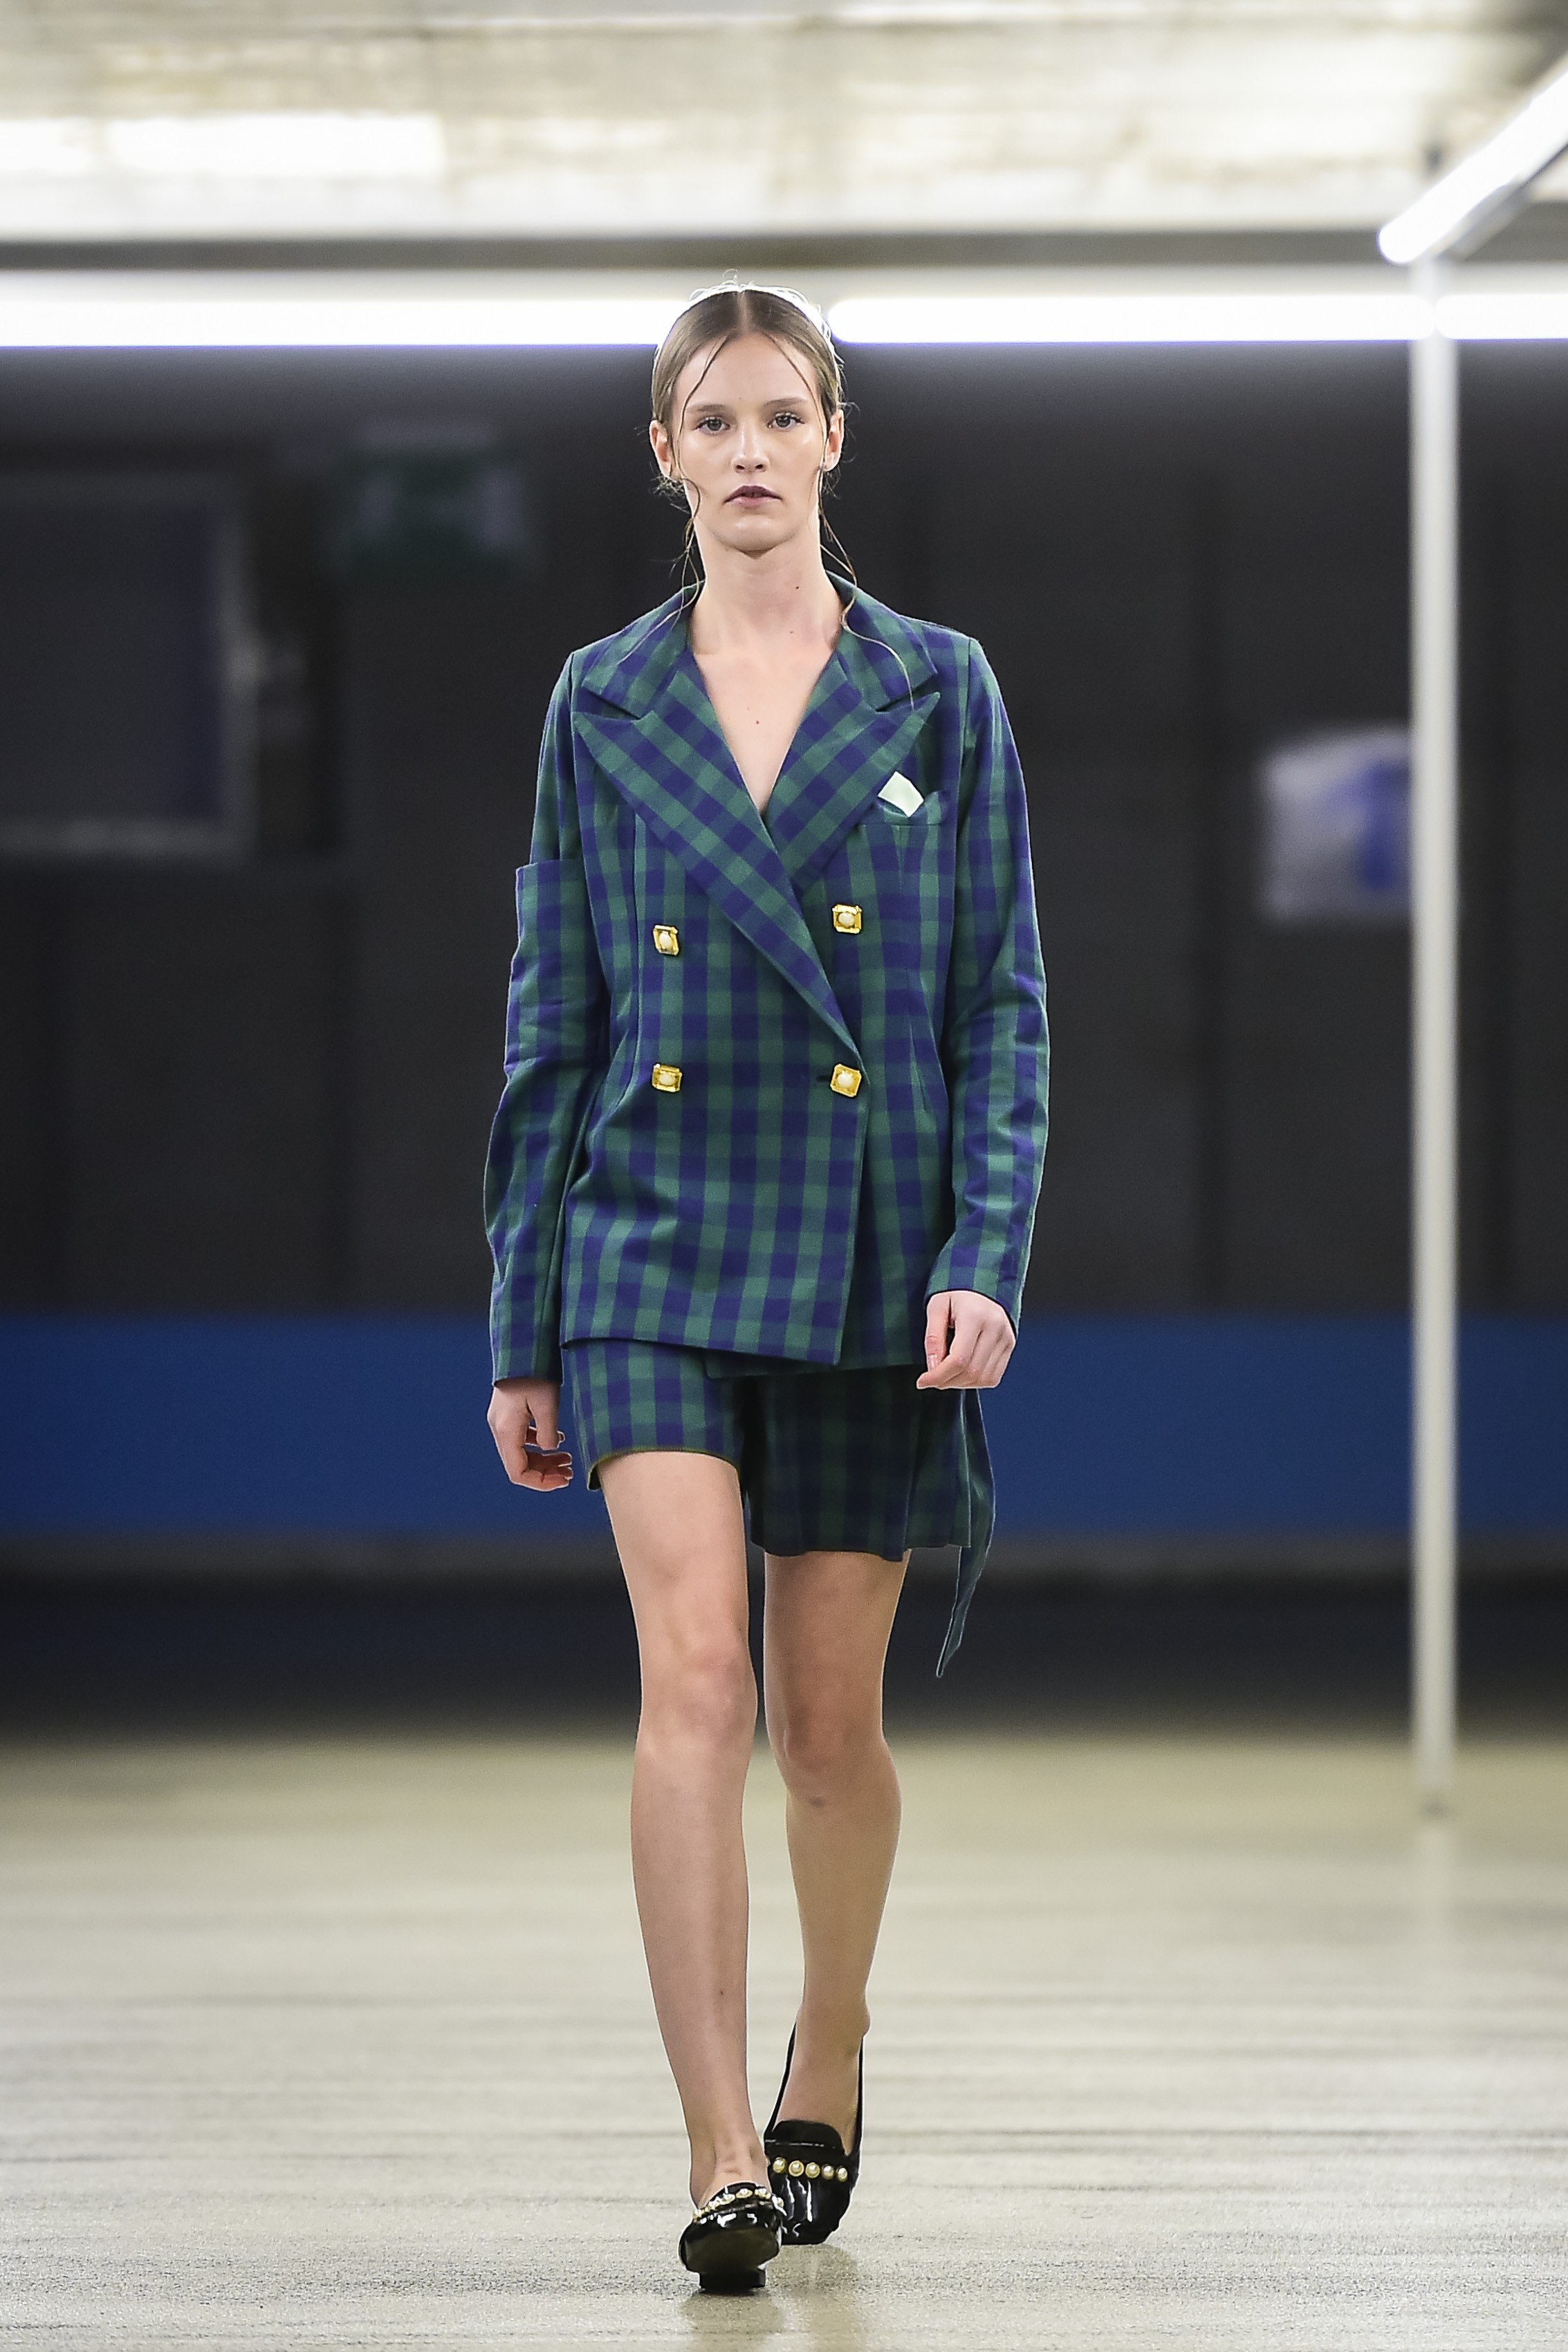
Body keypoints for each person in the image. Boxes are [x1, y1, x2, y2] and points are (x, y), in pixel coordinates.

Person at [484, 282, 1048, 2290]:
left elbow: (998, 1001)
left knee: (825, 1731)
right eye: (708, 420)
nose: (745, 451)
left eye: (777, 416)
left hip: (869, 1257)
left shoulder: (937, 690)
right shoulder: (602, 701)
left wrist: (984, 1251)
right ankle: (721, 2145)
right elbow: (554, 1019)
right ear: (664, 453)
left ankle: (836, 2038)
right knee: (695, 1687)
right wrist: (523, 1320)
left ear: (832, 438)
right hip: (646, 1245)